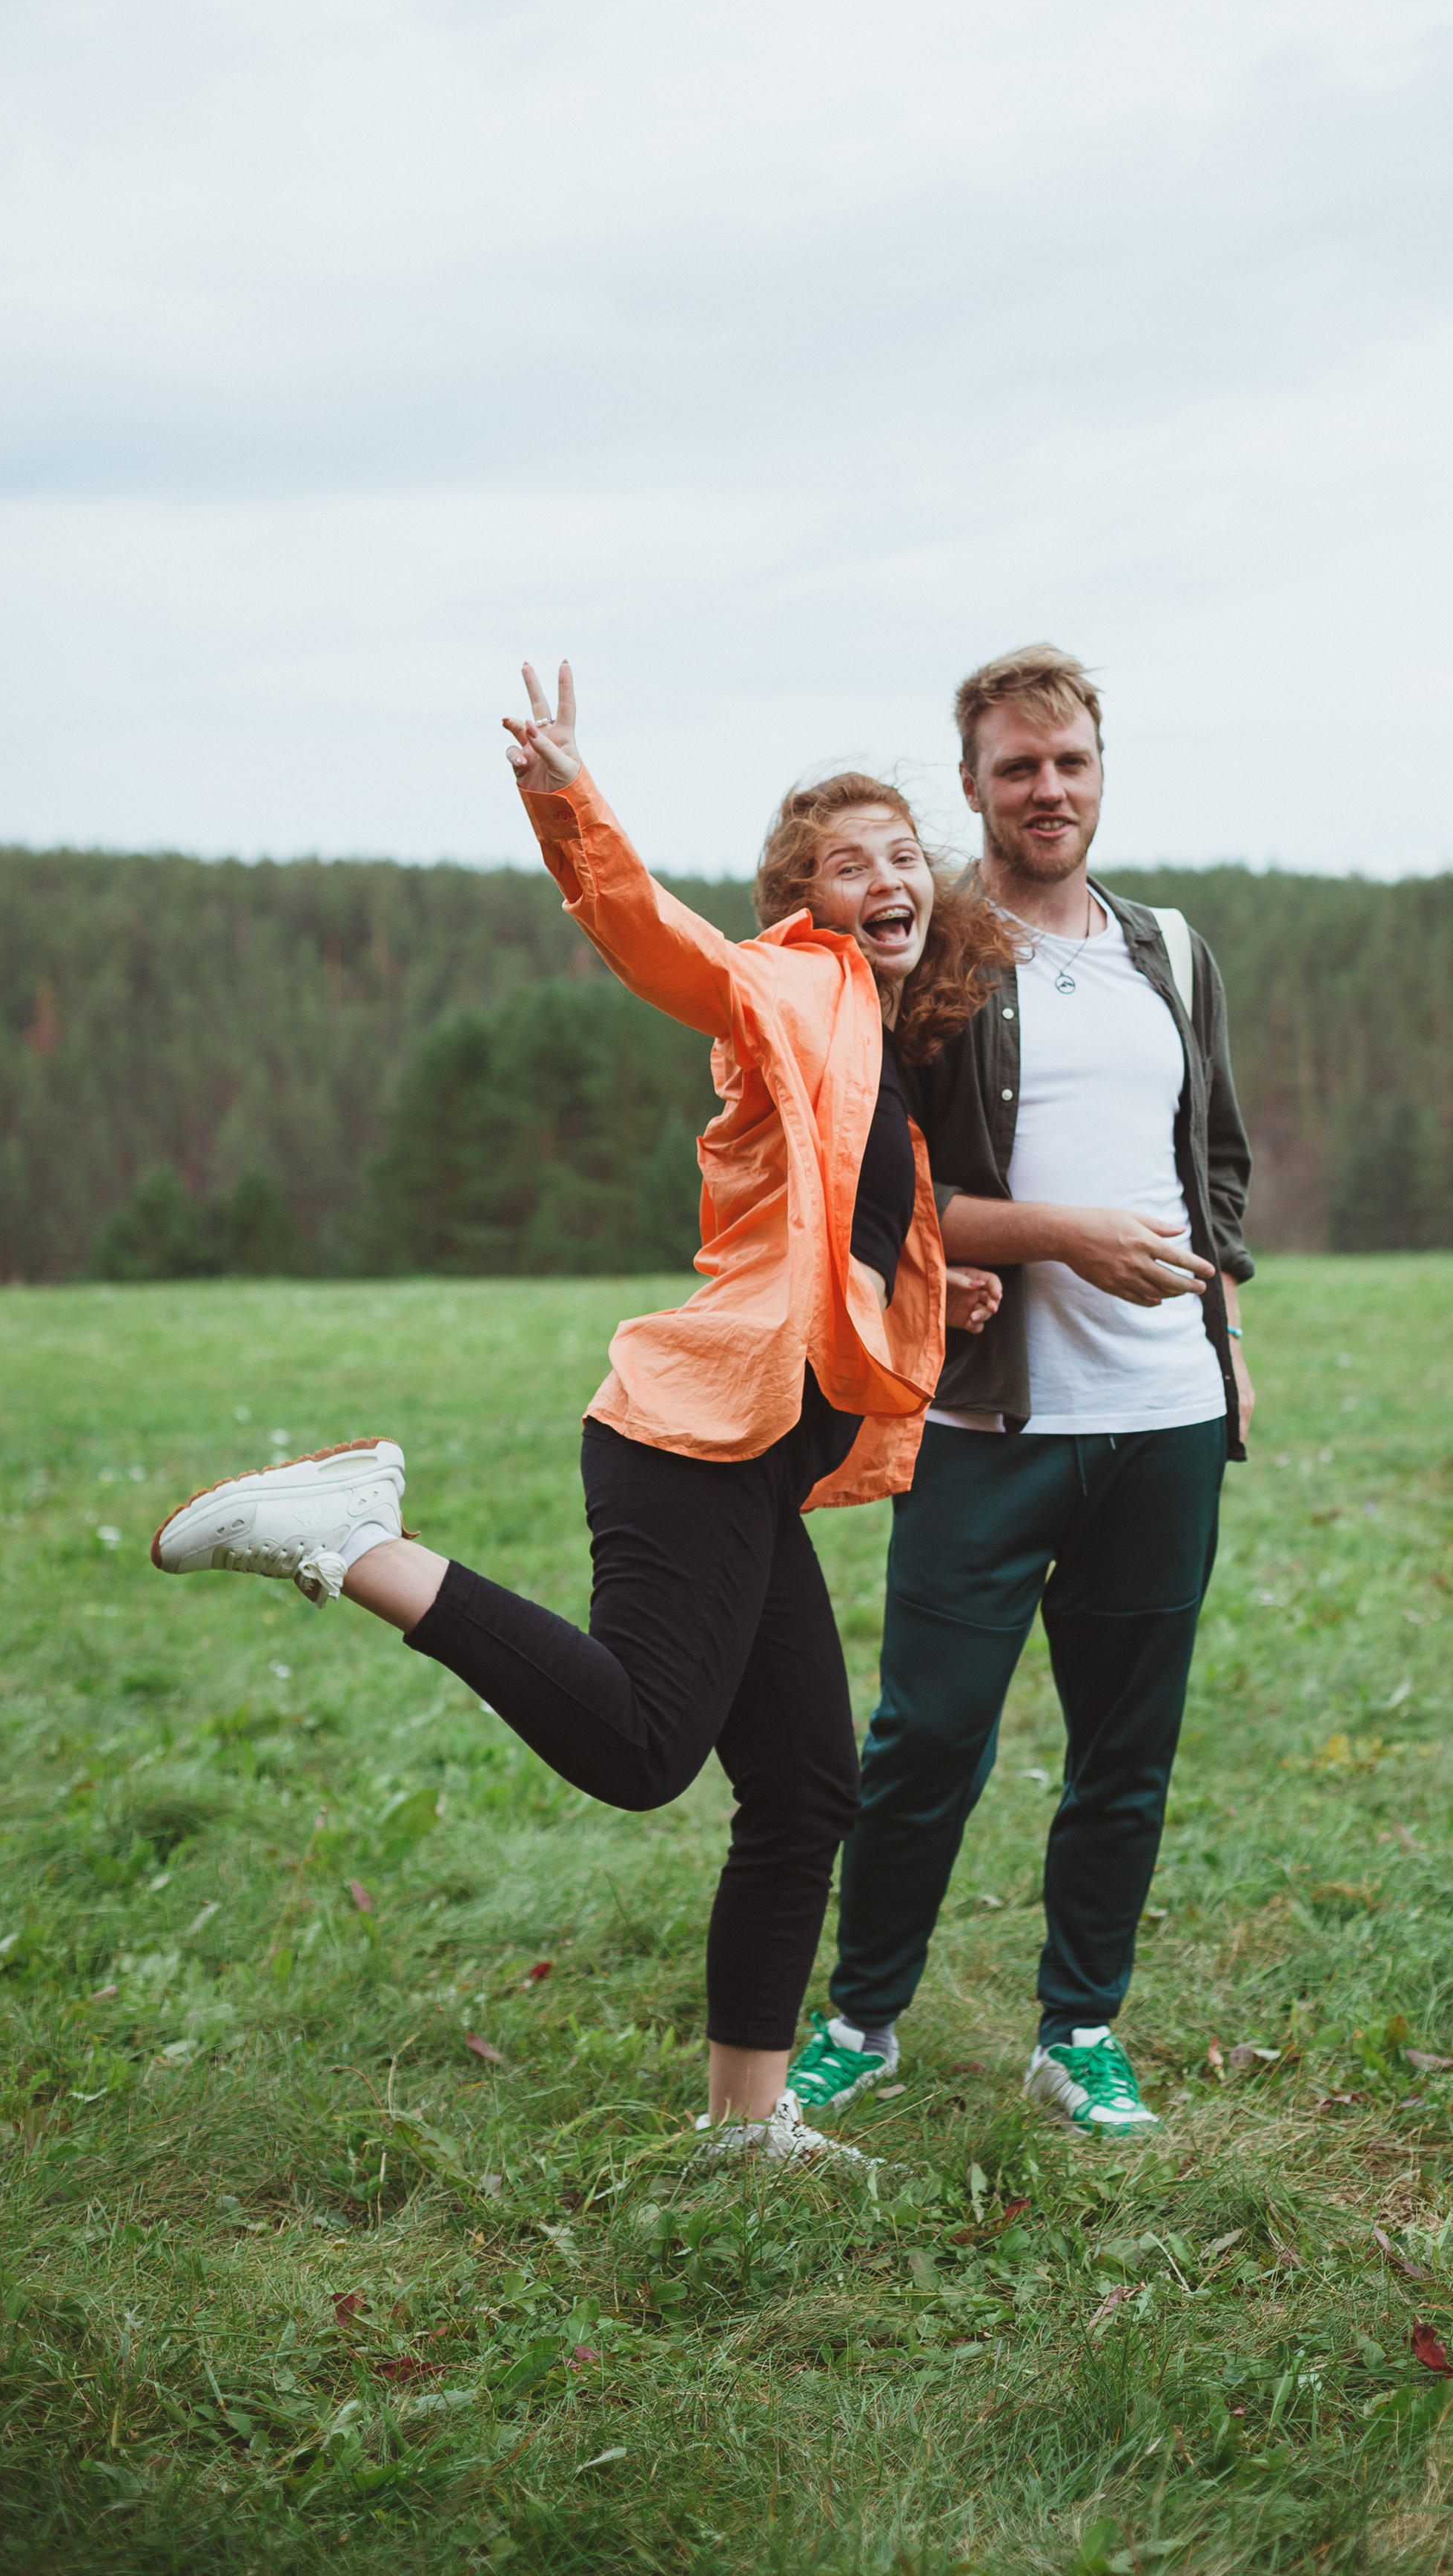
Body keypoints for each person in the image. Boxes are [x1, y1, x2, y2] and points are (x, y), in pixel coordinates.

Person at [152, 662, 1011, 2161]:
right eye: (843, 858)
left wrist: (934, 1305)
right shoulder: (792, 983)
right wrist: (565, 795)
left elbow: (827, 1253)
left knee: (808, 1786)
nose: (884, 878)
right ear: (801, 898)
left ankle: (746, 2126)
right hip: (685, 1444)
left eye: (899, 854)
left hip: (743, 1462)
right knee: (639, 1750)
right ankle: (354, 1542)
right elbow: (651, 935)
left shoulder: (868, 1061)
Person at [787, 643, 1254, 2139]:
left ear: (1098, 771)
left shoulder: (1169, 952)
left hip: (1165, 1426)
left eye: (1067, 763)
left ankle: (1080, 2030)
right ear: (973, 788)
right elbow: (876, 1202)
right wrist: (1060, 1242)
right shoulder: (926, 960)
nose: (1044, 790)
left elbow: (1216, 1168)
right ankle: (862, 2020)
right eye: (1013, 768)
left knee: (1125, 1749)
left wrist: (1221, 1325)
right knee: (927, 1735)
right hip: (987, 1425)